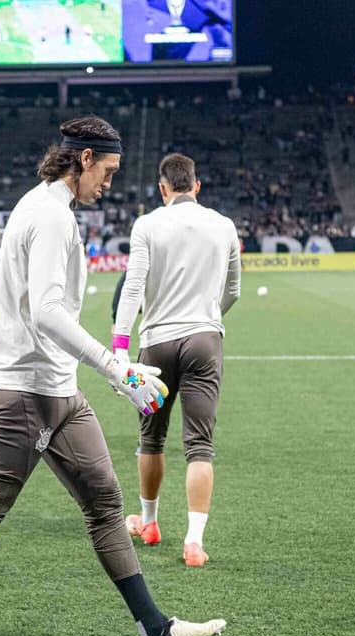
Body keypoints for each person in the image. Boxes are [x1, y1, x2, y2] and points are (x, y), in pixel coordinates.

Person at [0, 116, 225, 636]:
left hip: (58, 392)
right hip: (28, 395)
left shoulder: (40, 207)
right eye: (106, 171)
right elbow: (43, 310)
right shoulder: (51, 216)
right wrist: (116, 367)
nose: (109, 183)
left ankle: (155, 631)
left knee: (106, 504)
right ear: (83, 159)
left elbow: (10, 299)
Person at [112, 153, 241, 568]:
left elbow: (132, 289)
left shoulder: (147, 224)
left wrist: (119, 349)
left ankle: (149, 522)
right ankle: (194, 542)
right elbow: (233, 291)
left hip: (157, 343)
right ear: (197, 186)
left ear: (163, 188)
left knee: (151, 438)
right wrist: (208, 315)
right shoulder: (223, 225)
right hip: (205, 339)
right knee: (200, 445)